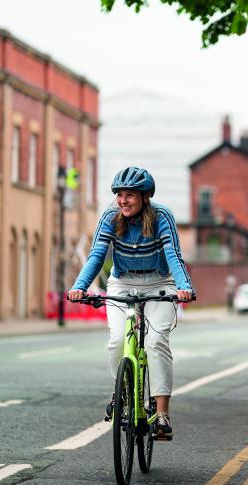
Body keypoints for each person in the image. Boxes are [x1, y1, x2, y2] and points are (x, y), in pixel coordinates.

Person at [68, 166, 193, 440]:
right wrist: (79, 287)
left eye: (130, 195)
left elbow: (174, 255)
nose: (123, 201)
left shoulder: (162, 216)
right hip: (122, 283)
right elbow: (97, 255)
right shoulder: (111, 218)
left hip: (161, 283)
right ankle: (121, 395)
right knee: (116, 340)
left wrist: (184, 287)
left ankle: (161, 414)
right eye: (120, 195)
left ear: (145, 196)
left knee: (155, 341)